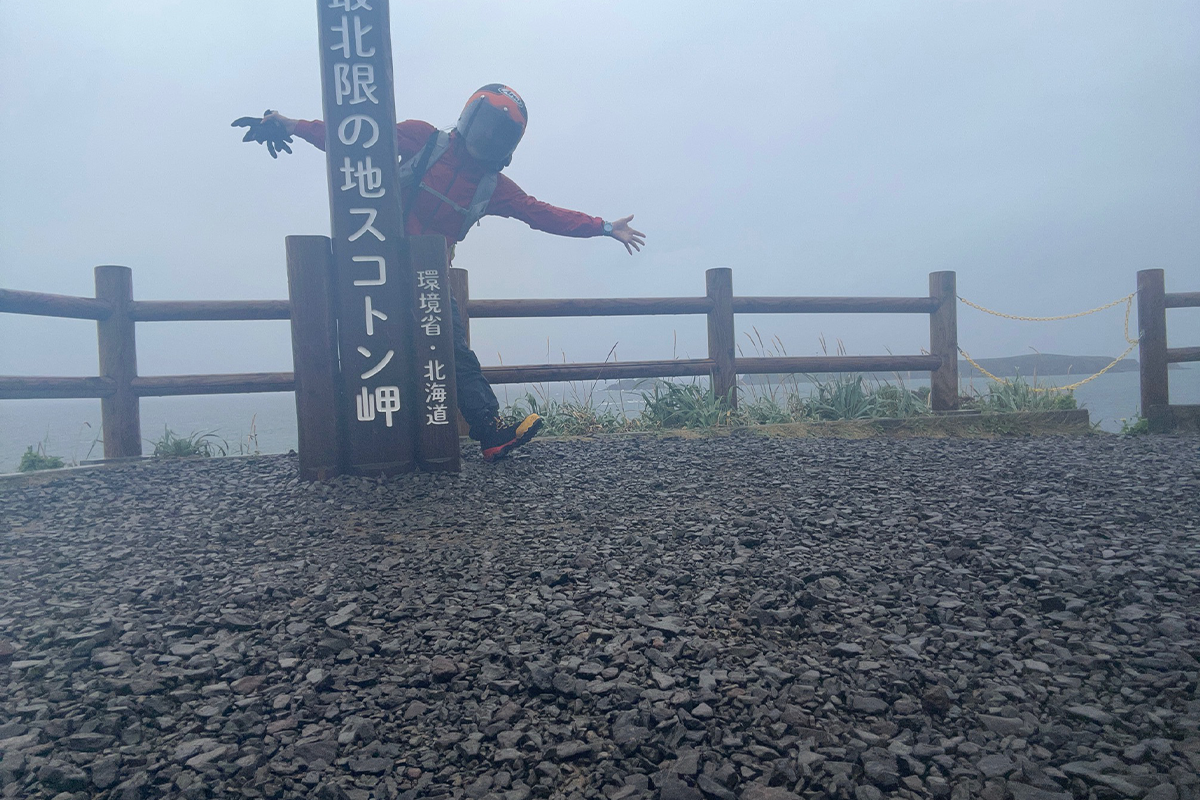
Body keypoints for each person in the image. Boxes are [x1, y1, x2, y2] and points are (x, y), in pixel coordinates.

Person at [240, 85, 645, 461]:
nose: (488, 139)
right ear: (468, 118)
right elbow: (354, 143)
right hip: (374, 266)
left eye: (499, 135)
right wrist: (289, 125)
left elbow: (542, 214)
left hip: (429, 276)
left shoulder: (493, 186)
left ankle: (490, 433)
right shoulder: (424, 140)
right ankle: (341, 437)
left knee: (452, 349)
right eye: (486, 127)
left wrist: (605, 227)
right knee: (359, 347)